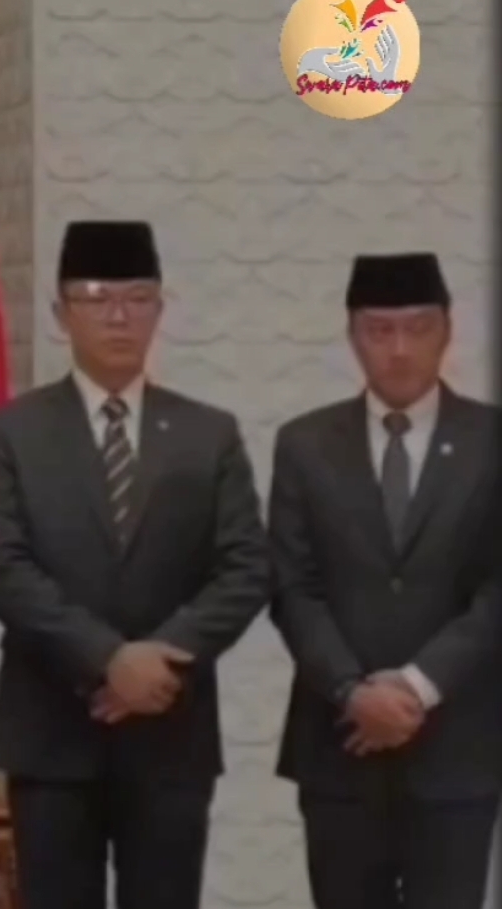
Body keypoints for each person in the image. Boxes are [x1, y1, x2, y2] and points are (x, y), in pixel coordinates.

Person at [0, 220, 270, 909]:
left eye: (136, 298)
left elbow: (245, 566)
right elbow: (2, 567)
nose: (117, 316)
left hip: (170, 730)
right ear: (60, 312)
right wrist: (107, 658)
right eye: (96, 297)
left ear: (159, 309)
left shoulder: (207, 433)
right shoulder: (10, 433)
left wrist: (160, 660)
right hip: (49, 728)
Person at [269, 252, 501, 909]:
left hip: (458, 748)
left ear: (446, 330)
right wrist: (351, 690)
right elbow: (291, 586)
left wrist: (414, 687)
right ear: (352, 335)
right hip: (339, 745)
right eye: (379, 330)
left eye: (417, 328)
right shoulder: (305, 444)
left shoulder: (491, 440)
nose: (398, 349)